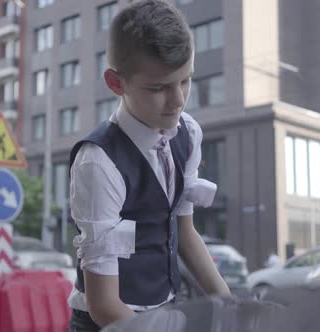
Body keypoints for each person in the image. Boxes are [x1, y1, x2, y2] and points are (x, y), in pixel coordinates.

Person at [67, 1, 230, 330]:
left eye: (185, 81)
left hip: (163, 316)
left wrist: (231, 307)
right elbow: (103, 305)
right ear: (116, 83)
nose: (178, 100)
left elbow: (185, 233)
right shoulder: (98, 163)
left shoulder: (188, 133)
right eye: (158, 88)